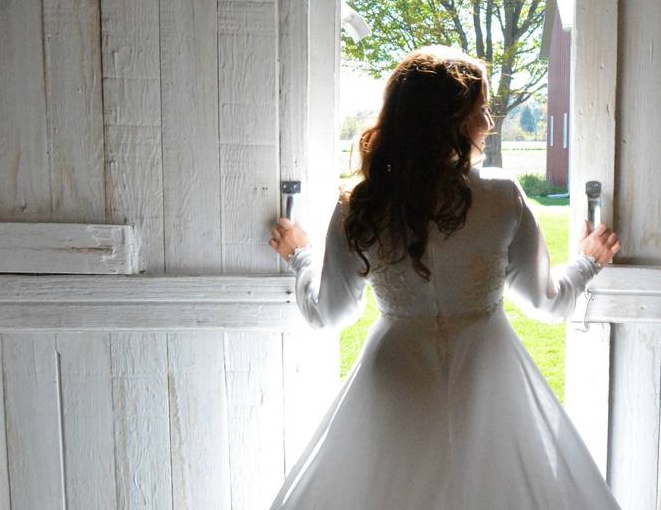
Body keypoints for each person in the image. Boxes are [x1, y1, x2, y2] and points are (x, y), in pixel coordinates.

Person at [267, 45, 623, 509]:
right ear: (450, 121)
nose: (490, 124)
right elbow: (549, 304)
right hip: (488, 376)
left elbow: (329, 314)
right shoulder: (501, 197)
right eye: (481, 111)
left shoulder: (362, 203)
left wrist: (300, 256)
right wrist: (588, 261)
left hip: (396, 377)